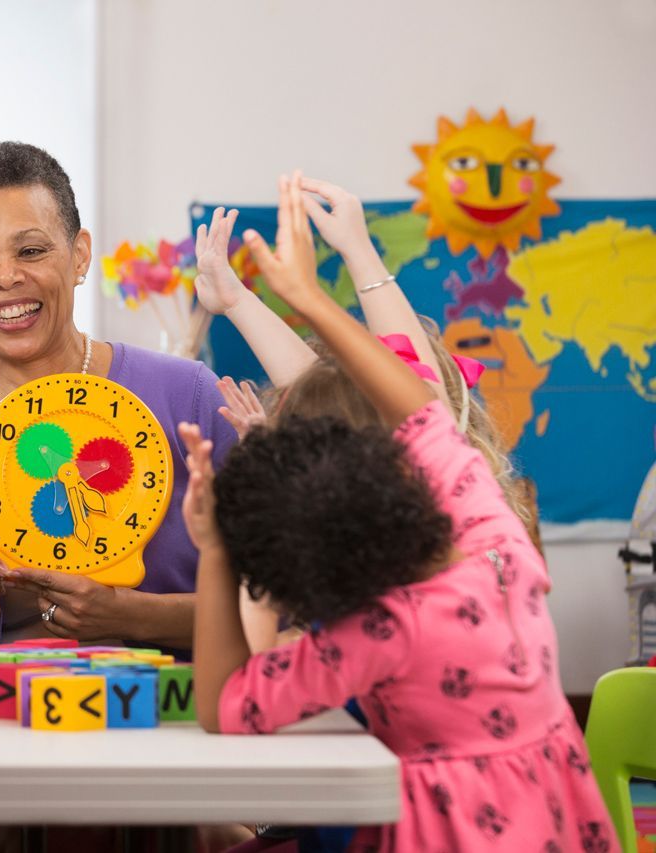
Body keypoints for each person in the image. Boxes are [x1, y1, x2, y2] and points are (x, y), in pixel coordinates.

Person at [181, 172, 616, 850]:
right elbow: (418, 407)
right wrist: (313, 299)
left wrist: (216, 546)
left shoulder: (378, 632)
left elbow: (223, 704)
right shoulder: (500, 549)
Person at [0, 141, 236, 652]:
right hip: (6, 723)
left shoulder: (191, 397)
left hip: (186, 718)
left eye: (31, 250)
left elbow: (283, 604)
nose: (6, 277)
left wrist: (134, 616)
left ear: (79, 255)